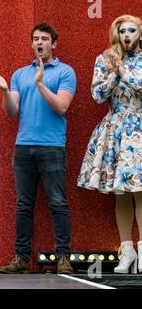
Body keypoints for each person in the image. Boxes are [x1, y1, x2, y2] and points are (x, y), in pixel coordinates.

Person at [0, 23, 76, 274]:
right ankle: (21, 259)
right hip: (23, 147)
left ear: (54, 44)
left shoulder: (65, 72)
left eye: (45, 39)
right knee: (23, 205)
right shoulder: (19, 74)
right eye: (36, 39)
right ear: (32, 43)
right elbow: (12, 112)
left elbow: (61, 106)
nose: (39, 42)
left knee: (58, 203)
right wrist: (5, 91)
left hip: (52, 147)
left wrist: (40, 84)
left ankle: (63, 258)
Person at [77, 15, 142, 274]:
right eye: (122, 30)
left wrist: (124, 72)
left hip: (138, 127)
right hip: (115, 129)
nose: (127, 34)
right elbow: (97, 95)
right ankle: (127, 251)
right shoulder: (105, 60)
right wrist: (114, 75)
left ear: (139, 34)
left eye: (132, 30)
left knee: (141, 191)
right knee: (121, 192)